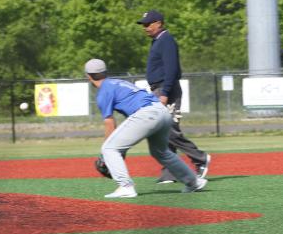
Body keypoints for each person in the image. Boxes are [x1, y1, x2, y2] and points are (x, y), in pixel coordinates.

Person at [85, 58, 208, 198]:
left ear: (88, 76)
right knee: (161, 152)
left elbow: (109, 123)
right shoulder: (119, 82)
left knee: (109, 148)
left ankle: (126, 186)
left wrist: (106, 152)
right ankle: (194, 182)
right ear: (105, 72)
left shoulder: (104, 91)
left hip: (146, 114)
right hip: (162, 112)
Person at [137, 10, 212, 183]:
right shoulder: (158, 41)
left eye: (148, 24)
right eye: (144, 25)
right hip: (159, 88)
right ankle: (170, 172)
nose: (145, 27)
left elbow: (171, 69)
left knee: (170, 131)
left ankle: (200, 158)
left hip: (166, 90)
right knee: (163, 131)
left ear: (159, 23)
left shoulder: (166, 40)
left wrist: (164, 93)